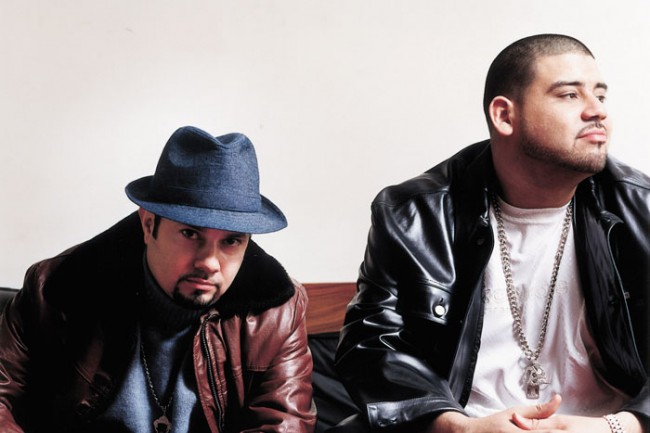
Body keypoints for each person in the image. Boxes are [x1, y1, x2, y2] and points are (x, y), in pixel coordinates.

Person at [334, 34, 649, 433]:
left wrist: (622, 426)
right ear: (504, 115)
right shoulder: (415, 213)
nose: (597, 111)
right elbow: (371, 344)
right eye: (570, 95)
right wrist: (458, 428)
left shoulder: (641, 209)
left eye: (600, 96)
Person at [0, 126, 316, 432]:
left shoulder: (277, 312)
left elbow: (284, 423)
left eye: (231, 241)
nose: (209, 262)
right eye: (190, 233)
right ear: (149, 224)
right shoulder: (55, 288)